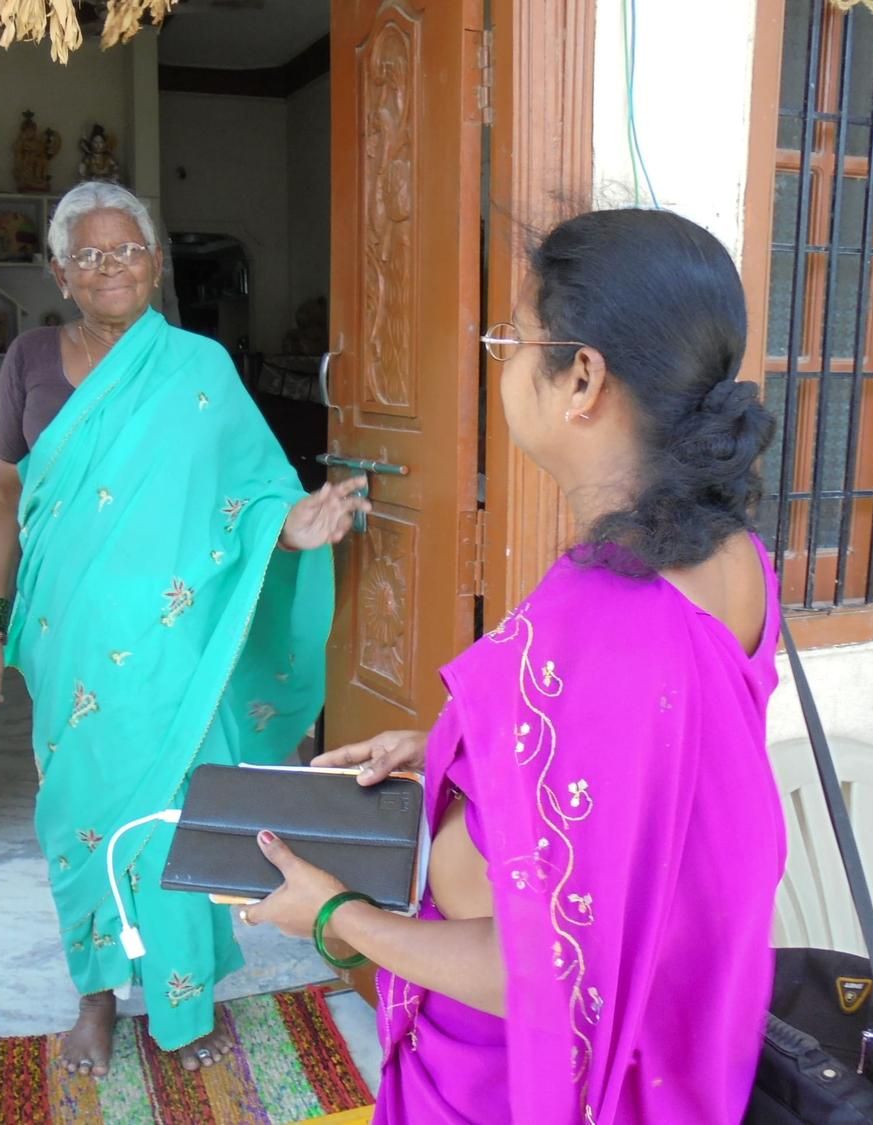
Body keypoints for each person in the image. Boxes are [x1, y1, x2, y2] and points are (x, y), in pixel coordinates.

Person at [246, 208, 784, 1122]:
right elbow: (636, 789)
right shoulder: (734, 557)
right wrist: (458, 755)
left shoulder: (614, 617)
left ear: (582, 378)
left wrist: (337, 919)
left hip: (518, 1076)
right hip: (681, 1031)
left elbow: (546, 970)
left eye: (511, 339)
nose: (499, 363)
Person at [0, 181, 367, 1076]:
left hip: (174, 646)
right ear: (61, 274)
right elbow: (1, 491)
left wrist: (295, 524)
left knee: (176, 815)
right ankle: (96, 997)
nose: (111, 267)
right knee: (79, 815)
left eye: (129, 250)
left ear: (156, 264)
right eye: (90, 255)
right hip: (68, 645)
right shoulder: (28, 360)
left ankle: (185, 1001)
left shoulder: (200, 369)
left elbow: (255, 489)